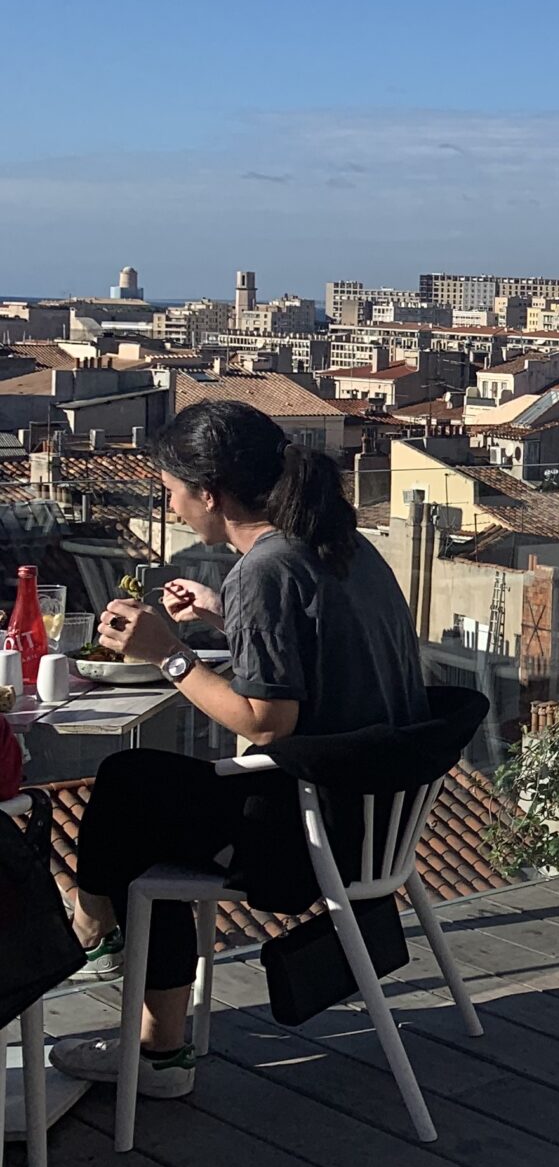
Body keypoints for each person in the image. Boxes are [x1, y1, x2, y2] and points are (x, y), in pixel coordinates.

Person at [50, 398, 426, 1101]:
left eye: (170, 491)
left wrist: (167, 653)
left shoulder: (264, 571)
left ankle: (113, 965)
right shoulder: (336, 541)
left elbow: (266, 723)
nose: (172, 504)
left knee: (131, 790)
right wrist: (227, 613)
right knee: (144, 797)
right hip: (377, 820)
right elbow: (320, 645)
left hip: (311, 836)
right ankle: (128, 989)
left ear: (208, 494)